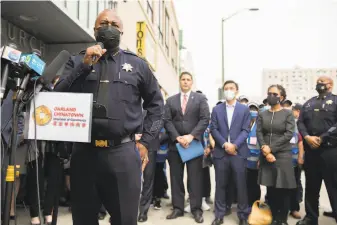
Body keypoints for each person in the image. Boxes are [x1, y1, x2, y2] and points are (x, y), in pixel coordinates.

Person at [54, 9, 163, 225]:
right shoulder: (77, 61)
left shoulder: (138, 65)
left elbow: (157, 106)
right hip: (84, 153)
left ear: (121, 31)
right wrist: (84, 66)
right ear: (95, 30)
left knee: (125, 219)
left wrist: (146, 142)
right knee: (83, 219)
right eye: (103, 22)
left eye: (114, 23)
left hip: (122, 154)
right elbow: (58, 96)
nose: (108, 26)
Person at [164, 71, 210, 223]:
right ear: (179, 81)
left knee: (195, 178)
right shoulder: (170, 100)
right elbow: (167, 120)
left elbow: (204, 119)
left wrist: (191, 136)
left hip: (193, 144)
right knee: (176, 177)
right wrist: (177, 137)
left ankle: (196, 209)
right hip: (175, 145)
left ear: (192, 82)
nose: (185, 82)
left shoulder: (200, 99)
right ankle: (178, 208)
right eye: (183, 79)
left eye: (188, 79)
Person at [297, 76, 337, 225]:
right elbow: (300, 122)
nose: (319, 84)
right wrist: (307, 137)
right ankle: (311, 217)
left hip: (330, 151)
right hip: (311, 152)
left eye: (323, 82)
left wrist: (322, 137)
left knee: (333, 186)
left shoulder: (335, 101)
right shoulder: (309, 103)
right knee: (312, 187)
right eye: (318, 82)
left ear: (330, 85)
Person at [210, 80, 251, 225]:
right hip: (221, 153)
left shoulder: (244, 109)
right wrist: (225, 144)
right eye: (226, 88)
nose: (228, 90)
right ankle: (219, 214)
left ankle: (243, 215)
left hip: (238, 153)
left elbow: (246, 130)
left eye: (231, 88)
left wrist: (235, 145)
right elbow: (213, 129)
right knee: (220, 185)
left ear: (237, 91)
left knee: (241, 185)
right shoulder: (217, 109)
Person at [256, 84, 296, 225]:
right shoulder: (262, 113)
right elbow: (259, 132)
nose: (271, 96)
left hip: (282, 154)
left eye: (274, 94)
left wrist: (271, 148)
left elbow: (288, 134)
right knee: (270, 187)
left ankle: (282, 219)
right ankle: (272, 217)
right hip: (266, 153)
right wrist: (265, 149)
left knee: (283, 188)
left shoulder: (287, 113)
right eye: (269, 93)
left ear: (282, 97)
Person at [246, 102, 261, 207]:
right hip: (245, 160)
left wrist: (261, 158)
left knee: (255, 184)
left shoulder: (260, 125)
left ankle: (255, 204)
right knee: (246, 184)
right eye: (250, 109)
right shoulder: (245, 123)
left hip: (256, 161)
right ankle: (246, 204)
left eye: (254, 109)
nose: (252, 111)